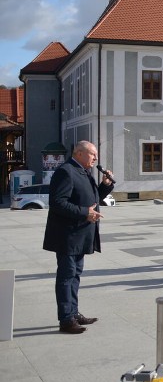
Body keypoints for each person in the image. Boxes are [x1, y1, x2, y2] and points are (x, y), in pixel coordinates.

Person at [43, 141, 114, 334]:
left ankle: (73, 313)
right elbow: (57, 203)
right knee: (66, 277)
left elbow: (93, 199)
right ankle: (66, 319)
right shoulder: (66, 171)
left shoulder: (83, 172)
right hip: (67, 235)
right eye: (92, 154)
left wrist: (105, 186)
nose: (95, 158)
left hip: (80, 235)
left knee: (75, 275)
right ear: (79, 153)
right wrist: (85, 213)